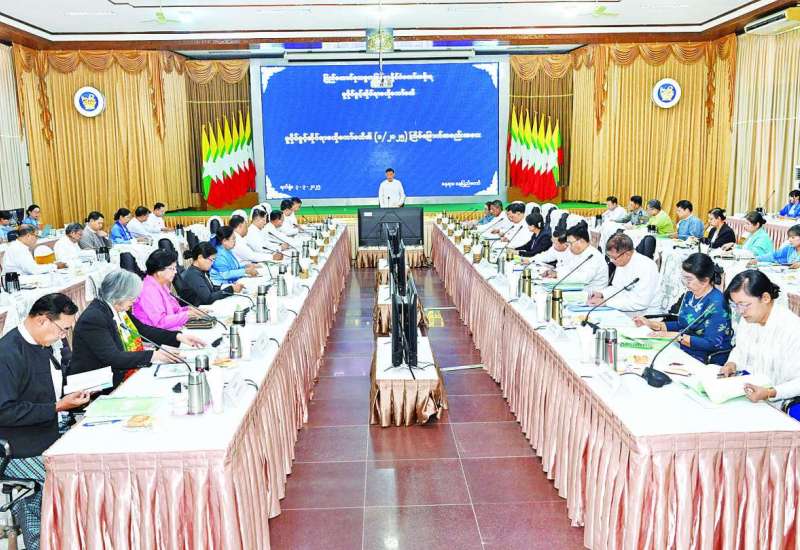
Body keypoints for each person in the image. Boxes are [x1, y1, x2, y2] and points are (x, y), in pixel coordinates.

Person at [0, 294, 90, 550]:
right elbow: (3, 411)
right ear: (42, 320)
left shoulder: (41, 344)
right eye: (63, 330)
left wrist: (68, 400)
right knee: (74, 481)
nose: (63, 337)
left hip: (47, 432)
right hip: (17, 448)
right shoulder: (7, 353)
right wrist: (56, 407)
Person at [71, 270, 205, 387]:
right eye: (132, 297)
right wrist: (154, 355)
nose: (135, 301)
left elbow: (143, 330)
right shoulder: (94, 318)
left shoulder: (118, 307)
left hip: (122, 374)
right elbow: (113, 357)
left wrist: (178, 336)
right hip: (99, 384)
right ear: (119, 295)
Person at [721, 270, 800, 416]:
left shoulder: (792, 329)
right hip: (749, 393)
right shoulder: (748, 319)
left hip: (780, 402)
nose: (740, 311)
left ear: (765, 298)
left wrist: (769, 392)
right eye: (736, 305)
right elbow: (740, 349)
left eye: (744, 304)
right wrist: (731, 364)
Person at [635, 253, 732, 365]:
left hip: (704, 358)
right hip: (683, 348)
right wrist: (653, 324)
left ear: (705, 281)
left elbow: (712, 343)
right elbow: (683, 324)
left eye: (689, 279)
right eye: (683, 278)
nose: (685, 283)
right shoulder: (690, 294)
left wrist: (676, 337)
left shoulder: (717, 304)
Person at [588, 233, 661, 314]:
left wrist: (606, 302)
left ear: (627, 254)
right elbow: (617, 288)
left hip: (644, 316)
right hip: (622, 308)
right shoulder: (621, 261)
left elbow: (641, 303)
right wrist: (602, 294)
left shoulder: (647, 266)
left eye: (614, 258)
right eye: (610, 257)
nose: (611, 261)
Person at [132, 249, 204, 330]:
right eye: (172, 268)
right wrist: (187, 315)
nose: (175, 272)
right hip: (157, 335)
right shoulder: (148, 290)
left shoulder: (161, 284)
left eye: (175, 268)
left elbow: (174, 311)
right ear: (158, 271)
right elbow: (160, 322)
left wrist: (189, 310)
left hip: (170, 330)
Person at [544, 222, 608, 292]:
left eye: (570, 243)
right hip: (577, 290)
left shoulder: (593, 256)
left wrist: (558, 274)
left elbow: (582, 279)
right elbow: (568, 268)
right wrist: (554, 272)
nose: (569, 246)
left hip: (591, 294)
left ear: (581, 241)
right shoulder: (578, 252)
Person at [179, 242, 244, 306]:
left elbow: (211, 289)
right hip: (195, 310)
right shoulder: (193, 275)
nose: (212, 263)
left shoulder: (200, 271)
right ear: (200, 257)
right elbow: (208, 298)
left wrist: (230, 287)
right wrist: (231, 289)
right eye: (211, 260)